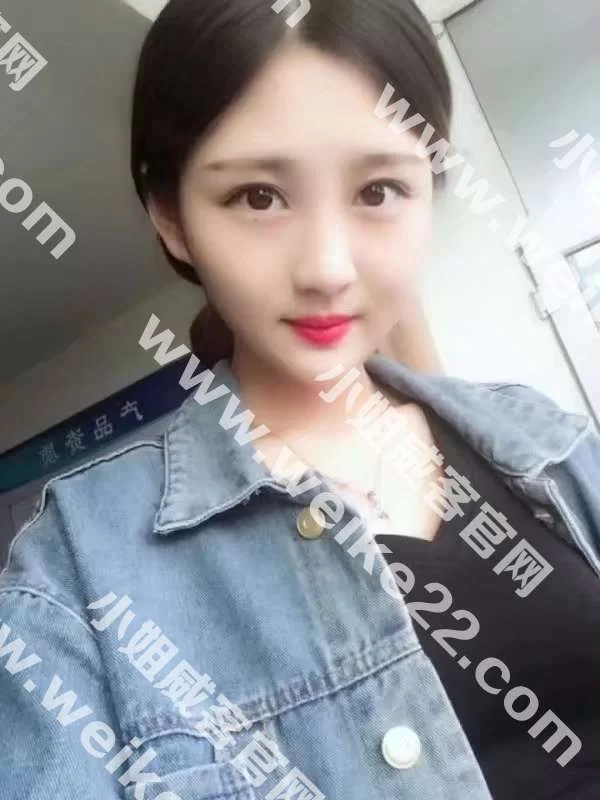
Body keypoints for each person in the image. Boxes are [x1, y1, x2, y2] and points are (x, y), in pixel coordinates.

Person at [1, 1, 600, 798]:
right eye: (259, 197)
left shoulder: (543, 437)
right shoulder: (80, 568)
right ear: (172, 217)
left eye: (379, 189)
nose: (326, 267)